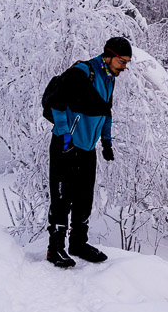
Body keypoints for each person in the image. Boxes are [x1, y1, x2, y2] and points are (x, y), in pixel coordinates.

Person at [46, 36, 132, 268]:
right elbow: (56, 102)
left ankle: (78, 243)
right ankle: (55, 248)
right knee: (62, 197)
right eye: (122, 61)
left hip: (87, 148)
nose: (124, 67)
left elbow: (106, 111)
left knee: (84, 198)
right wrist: (65, 135)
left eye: (126, 63)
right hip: (67, 144)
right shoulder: (84, 72)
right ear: (109, 55)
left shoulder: (109, 77)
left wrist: (106, 142)